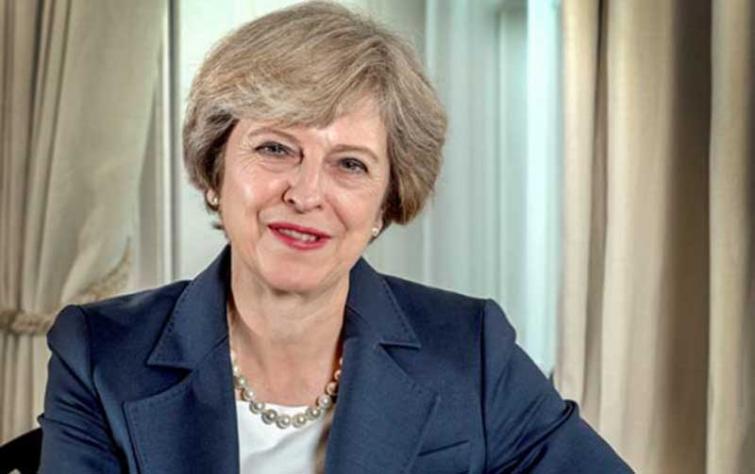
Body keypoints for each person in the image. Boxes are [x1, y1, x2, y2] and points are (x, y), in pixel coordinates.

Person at [38, 2, 631, 473]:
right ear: (215, 171)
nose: (306, 193)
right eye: (275, 148)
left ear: (384, 204)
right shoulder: (100, 355)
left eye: (350, 164)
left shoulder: (470, 351)